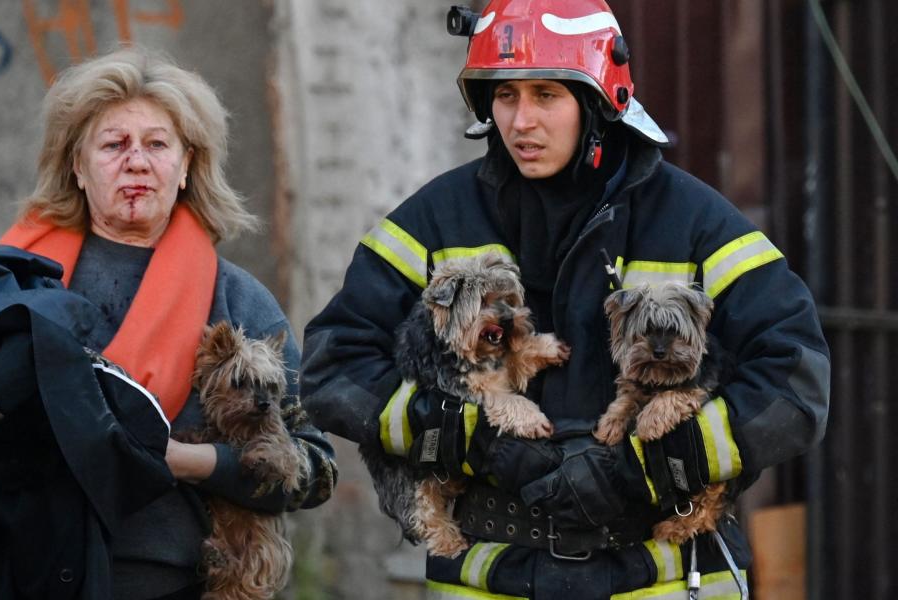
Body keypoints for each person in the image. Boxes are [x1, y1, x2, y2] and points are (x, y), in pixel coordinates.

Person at [300, 1, 829, 599]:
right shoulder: (433, 222)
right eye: (505, 96)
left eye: (546, 94)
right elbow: (334, 367)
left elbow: (795, 384)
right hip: (489, 575)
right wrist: (473, 440)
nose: (522, 120)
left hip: (662, 575)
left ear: (600, 103)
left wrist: (646, 471)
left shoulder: (697, 224)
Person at [0, 47, 337, 599]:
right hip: (19, 570)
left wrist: (197, 463)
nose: (135, 161)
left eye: (156, 144)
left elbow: (316, 470)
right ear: (77, 168)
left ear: (186, 168)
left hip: (168, 582)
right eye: (113, 144)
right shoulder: (14, 283)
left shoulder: (239, 300)